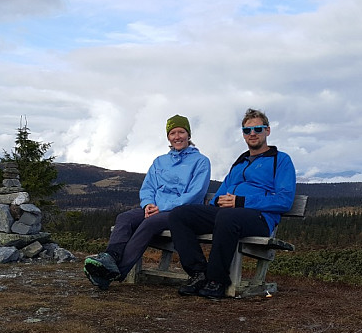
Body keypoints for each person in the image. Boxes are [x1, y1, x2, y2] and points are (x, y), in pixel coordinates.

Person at [168, 108, 296, 299]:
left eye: (258, 129)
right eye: (247, 130)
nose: (252, 134)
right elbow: (220, 193)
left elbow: (284, 200)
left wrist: (242, 202)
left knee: (228, 216)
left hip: (259, 219)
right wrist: (217, 201)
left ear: (267, 131)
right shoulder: (240, 162)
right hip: (227, 215)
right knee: (179, 215)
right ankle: (198, 273)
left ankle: (216, 280)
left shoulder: (281, 160)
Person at [83, 114, 211, 290]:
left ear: (189, 135)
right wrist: (147, 204)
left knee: (150, 223)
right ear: (168, 137)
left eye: (181, 132)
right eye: (173, 133)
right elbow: (148, 187)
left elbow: (196, 193)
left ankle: (117, 272)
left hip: (181, 213)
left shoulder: (201, 161)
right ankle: (110, 257)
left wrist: (163, 207)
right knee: (125, 218)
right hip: (154, 208)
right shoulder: (160, 161)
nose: (177, 137)